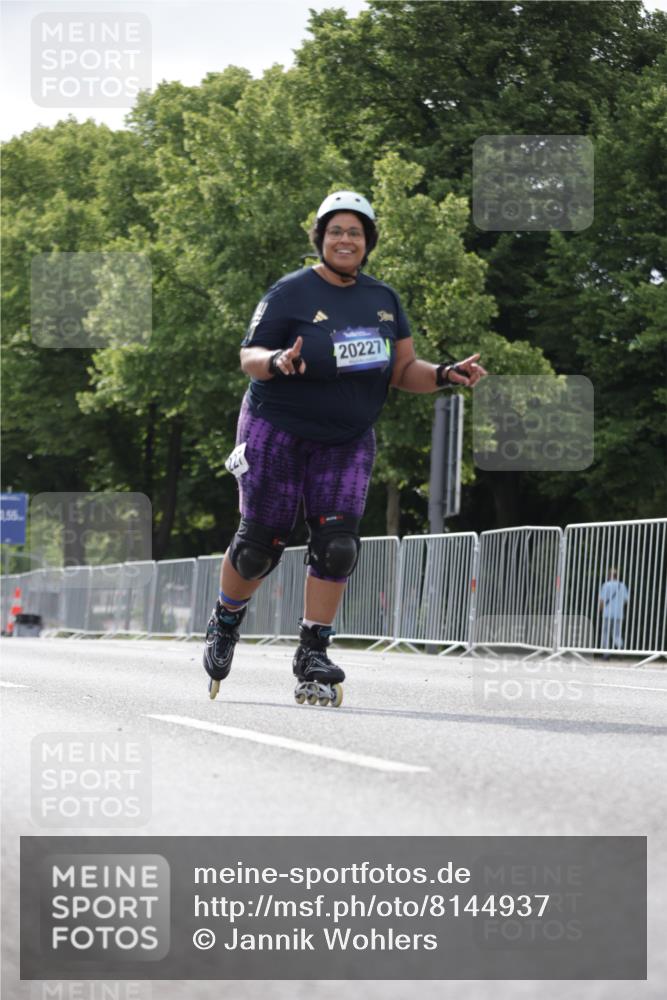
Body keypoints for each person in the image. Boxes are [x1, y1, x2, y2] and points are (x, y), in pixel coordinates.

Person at [203, 190, 487, 702]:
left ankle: (313, 648)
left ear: (368, 242)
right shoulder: (289, 293)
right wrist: (277, 362)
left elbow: (402, 370)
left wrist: (446, 373)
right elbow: (249, 355)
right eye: (335, 230)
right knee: (256, 550)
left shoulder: (384, 301)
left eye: (355, 232)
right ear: (320, 237)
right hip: (276, 429)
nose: (345, 239)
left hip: (347, 439)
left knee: (337, 547)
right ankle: (226, 620)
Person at [598, 567, 629, 660]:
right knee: (617, 634)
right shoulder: (622, 585)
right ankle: (620, 648)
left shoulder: (606, 585)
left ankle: (606, 654)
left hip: (607, 613)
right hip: (619, 614)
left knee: (606, 633)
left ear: (609, 575)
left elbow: (602, 600)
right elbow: (626, 600)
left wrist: (600, 610)